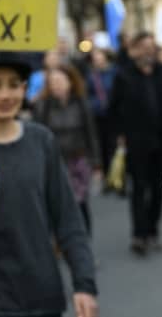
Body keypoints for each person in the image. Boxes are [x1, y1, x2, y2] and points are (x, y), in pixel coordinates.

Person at [0, 51, 98, 317]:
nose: (5, 95)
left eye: (13, 84)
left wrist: (84, 284)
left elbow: (68, 220)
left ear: (24, 89)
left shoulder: (42, 142)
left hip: (44, 297)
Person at [109, 32, 162, 254]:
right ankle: (139, 235)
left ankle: (153, 230)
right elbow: (114, 109)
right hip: (136, 142)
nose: (148, 51)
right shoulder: (124, 76)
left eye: (151, 47)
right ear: (134, 50)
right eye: (143, 47)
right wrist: (119, 135)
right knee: (139, 188)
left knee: (158, 189)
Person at [33, 64, 101, 234]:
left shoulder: (81, 104)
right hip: (54, 162)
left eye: (60, 80)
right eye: (52, 81)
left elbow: (91, 134)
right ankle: (57, 243)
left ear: (70, 82)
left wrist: (97, 163)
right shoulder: (43, 106)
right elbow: (37, 138)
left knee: (79, 203)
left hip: (78, 160)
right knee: (54, 204)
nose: (56, 85)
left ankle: (83, 244)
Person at [84, 48, 117, 184]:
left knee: (114, 144)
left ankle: (117, 174)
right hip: (98, 114)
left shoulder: (114, 72)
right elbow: (88, 94)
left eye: (99, 57)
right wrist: (95, 105)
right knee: (102, 143)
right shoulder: (91, 75)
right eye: (95, 58)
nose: (97, 60)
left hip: (113, 113)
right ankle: (105, 172)